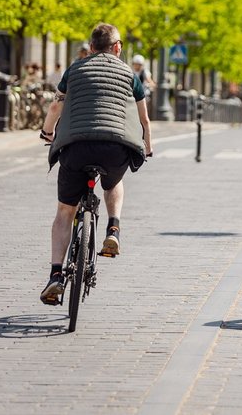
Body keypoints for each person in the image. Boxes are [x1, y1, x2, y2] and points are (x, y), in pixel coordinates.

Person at [38, 23, 153, 306]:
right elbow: (144, 119)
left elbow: (55, 107)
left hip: (76, 148)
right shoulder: (130, 74)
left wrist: (47, 132)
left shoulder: (74, 70)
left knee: (65, 211)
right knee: (113, 182)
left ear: (91, 48)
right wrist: (148, 146)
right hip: (115, 148)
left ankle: (55, 275)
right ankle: (113, 229)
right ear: (117, 47)